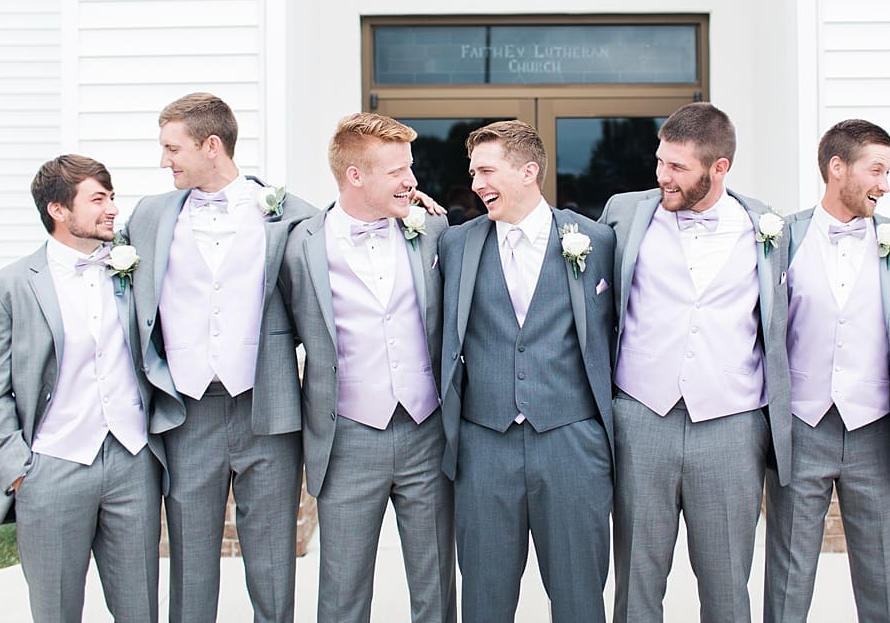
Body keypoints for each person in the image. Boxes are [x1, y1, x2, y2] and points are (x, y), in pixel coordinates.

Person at [599, 102, 791, 623]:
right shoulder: (623, 214)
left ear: (719, 167)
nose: (663, 175)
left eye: (678, 167)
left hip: (731, 425)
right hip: (642, 417)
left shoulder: (767, 227)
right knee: (636, 584)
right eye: (660, 161)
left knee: (727, 585)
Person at [128, 93, 316, 623]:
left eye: (173, 149)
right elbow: (92, 256)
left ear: (212, 145)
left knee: (273, 562)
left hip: (267, 408)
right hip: (187, 411)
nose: (164, 160)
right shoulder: (148, 216)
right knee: (189, 562)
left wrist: (410, 208)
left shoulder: (291, 214)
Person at [0, 154, 181, 622]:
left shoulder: (135, 267)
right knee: (57, 612)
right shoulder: (8, 287)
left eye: (112, 197)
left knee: (140, 610)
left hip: (133, 462)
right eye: (98, 199)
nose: (112, 209)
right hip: (51, 468)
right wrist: (19, 471)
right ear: (58, 210)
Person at [278, 113, 454, 623]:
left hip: (427, 431)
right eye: (397, 171)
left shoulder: (433, 229)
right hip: (346, 438)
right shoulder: (298, 245)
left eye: (410, 168)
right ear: (354, 175)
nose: (411, 180)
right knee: (343, 592)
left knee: (437, 588)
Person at [438, 120, 616, 623]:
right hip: (484, 445)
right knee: (484, 602)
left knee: (580, 601)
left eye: (486, 171)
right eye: (473, 173)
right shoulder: (455, 244)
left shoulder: (595, 240)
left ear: (528, 172)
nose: (476, 184)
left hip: (571, 444)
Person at [764, 120, 890, 623]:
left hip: (875, 431)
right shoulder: (780, 237)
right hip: (801, 427)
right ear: (837, 167)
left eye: (888, 172)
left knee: (879, 575)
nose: (885, 184)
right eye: (876, 170)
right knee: (788, 576)